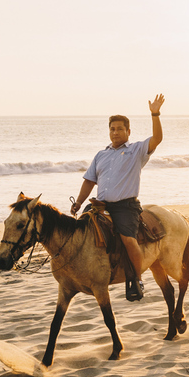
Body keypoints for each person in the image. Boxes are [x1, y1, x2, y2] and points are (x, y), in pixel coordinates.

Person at [71, 94, 165, 301]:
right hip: (100, 206)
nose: (115, 132)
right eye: (112, 129)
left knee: (128, 240)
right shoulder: (101, 155)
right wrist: (79, 202)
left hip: (125, 207)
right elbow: (89, 181)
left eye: (120, 129)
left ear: (128, 131)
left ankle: (137, 280)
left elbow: (157, 139)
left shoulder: (136, 150)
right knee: (78, 231)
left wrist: (155, 114)